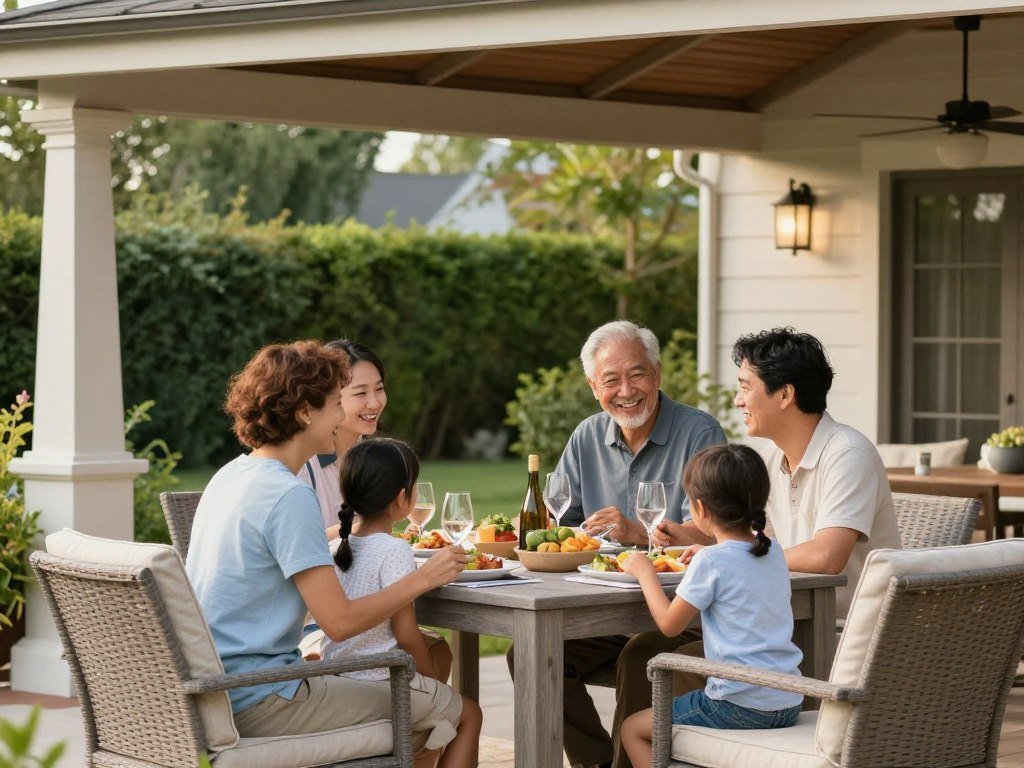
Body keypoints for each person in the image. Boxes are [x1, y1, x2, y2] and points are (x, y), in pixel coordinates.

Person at [186, 340, 476, 764]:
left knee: (426, 687)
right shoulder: (288, 495)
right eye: (333, 405)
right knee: (461, 713)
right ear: (305, 412)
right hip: (263, 696)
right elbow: (338, 623)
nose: (341, 416)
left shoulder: (230, 475)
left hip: (217, 688)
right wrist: (424, 577)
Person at [506, 319, 727, 768]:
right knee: (531, 654)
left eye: (637, 374)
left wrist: (638, 534)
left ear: (658, 373)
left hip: (683, 610)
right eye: (611, 380)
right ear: (593, 386)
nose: (626, 390)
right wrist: (523, 529)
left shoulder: (699, 434)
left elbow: (715, 534)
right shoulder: (587, 435)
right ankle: (599, 763)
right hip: (605, 607)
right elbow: (559, 524)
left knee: (640, 655)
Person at [619, 444, 803, 767]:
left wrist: (644, 572)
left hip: (736, 705)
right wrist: (703, 550)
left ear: (700, 510)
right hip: (787, 702)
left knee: (632, 729)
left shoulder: (711, 562)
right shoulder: (773, 551)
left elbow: (669, 625)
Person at [320, 437, 480, 767]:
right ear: (401, 498)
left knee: (438, 649)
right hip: (381, 680)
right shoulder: (394, 550)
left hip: (340, 678)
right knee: (469, 715)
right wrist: (435, 684)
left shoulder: (337, 547)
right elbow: (406, 636)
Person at [298, 339, 387, 536]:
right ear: (329, 398)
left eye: (379, 389)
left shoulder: (373, 461)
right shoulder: (302, 466)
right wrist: (365, 528)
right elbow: (300, 544)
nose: (374, 403)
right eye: (361, 393)